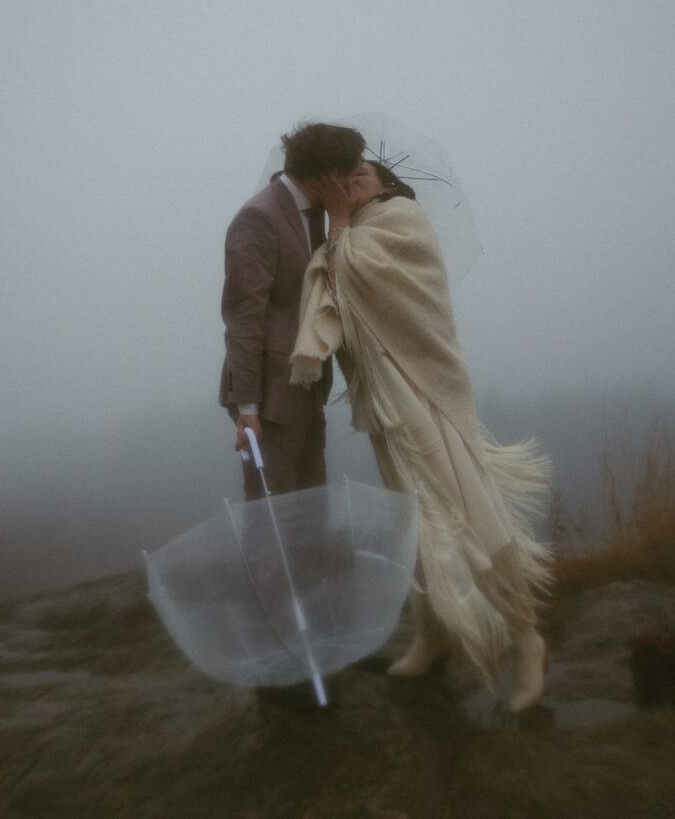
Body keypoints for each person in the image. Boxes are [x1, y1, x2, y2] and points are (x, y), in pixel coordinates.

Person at [289, 160, 552, 713]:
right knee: (414, 522)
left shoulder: (403, 219)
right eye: (343, 176)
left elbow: (354, 277)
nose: (348, 182)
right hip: (389, 410)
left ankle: (526, 639)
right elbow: (332, 290)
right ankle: (433, 633)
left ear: (386, 184)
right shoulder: (349, 232)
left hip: (429, 399)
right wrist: (338, 227)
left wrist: (337, 222)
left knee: (466, 513)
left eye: (359, 175)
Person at [219, 121, 365, 501]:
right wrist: (247, 409)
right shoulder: (258, 218)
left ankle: (310, 563)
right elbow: (243, 319)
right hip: (269, 398)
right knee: (272, 511)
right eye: (350, 174)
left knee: (310, 506)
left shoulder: (319, 215)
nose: (353, 184)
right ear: (329, 176)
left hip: (308, 386)